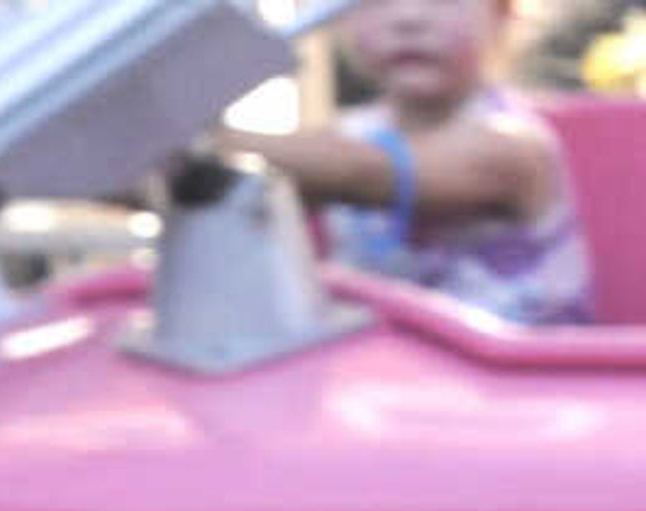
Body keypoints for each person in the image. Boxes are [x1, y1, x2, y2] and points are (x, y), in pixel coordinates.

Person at [219, 0, 594, 327]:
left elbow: (364, 171)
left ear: (502, 11)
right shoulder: (343, 136)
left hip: (527, 392)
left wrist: (199, 139)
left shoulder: (513, 146)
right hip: (392, 390)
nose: (408, 17)